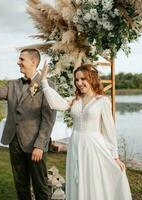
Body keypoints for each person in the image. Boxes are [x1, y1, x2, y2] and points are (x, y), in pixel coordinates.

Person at [41, 63, 132, 200]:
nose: (79, 83)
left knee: (93, 180)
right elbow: (55, 103)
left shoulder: (102, 101)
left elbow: (109, 131)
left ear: (92, 79)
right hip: (76, 145)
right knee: (77, 181)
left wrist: (115, 157)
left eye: (83, 79)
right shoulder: (74, 100)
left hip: (93, 146)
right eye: (77, 80)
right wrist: (44, 82)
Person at [0, 49, 56, 200]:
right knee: (21, 185)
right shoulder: (13, 85)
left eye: (22, 59)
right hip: (14, 141)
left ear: (33, 62)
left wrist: (39, 145)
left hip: (34, 145)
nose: (18, 62)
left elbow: (48, 119)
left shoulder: (46, 85)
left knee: (40, 186)